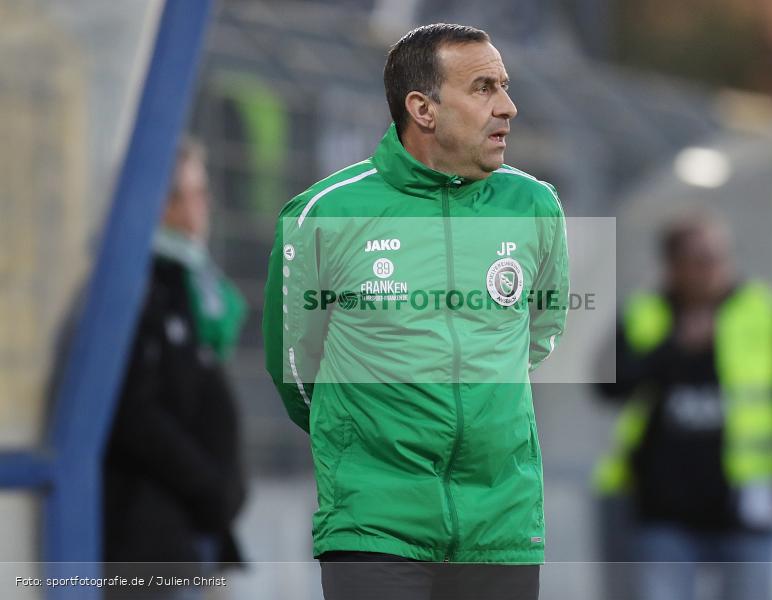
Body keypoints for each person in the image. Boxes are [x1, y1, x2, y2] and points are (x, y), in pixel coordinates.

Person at [262, 23, 569, 600]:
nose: (508, 106)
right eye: (483, 88)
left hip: (501, 519)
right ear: (422, 108)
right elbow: (295, 366)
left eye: (504, 86)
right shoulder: (323, 213)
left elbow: (540, 333)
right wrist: (361, 433)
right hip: (376, 520)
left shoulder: (534, 205)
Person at [592, 212, 772, 600]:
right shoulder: (645, 313)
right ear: (672, 266)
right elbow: (608, 387)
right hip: (662, 510)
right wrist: (672, 349)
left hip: (746, 507)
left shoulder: (760, 311)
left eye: (720, 257)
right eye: (700, 259)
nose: (714, 269)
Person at [104, 139, 247, 598]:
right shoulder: (138, 287)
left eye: (199, 195)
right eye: (176, 198)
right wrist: (208, 485)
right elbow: (136, 412)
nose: (193, 213)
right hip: (150, 538)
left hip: (197, 530)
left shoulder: (194, 288)